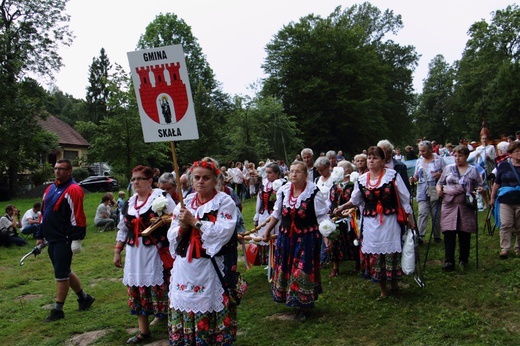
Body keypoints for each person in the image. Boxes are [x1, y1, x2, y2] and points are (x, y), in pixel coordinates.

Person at [167, 157, 238, 344]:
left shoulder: (224, 202)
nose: (200, 181)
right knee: (184, 299)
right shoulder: (186, 201)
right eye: (197, 177)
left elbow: (223, 232)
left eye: (206, 178)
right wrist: (182, 227)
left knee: (208, 302)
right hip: (185, 265)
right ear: (191, 180)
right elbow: (172, 233)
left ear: (216, 180)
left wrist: (195, 222)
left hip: (210, 265)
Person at [334, 146, 414, 299]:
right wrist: (342, 207)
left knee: (391, 251)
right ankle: (383, 289)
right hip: (371, 222)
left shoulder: (392, 176)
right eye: (369, 157)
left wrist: (409, 218)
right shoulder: (362, 179)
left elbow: (404, 198)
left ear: (383, 161)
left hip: (389, 221)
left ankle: (394, 283)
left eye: (375, 157)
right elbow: (355, 200)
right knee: (375, 253)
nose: (371, 160)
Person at [114, 165, 175, 344]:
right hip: (134, 255)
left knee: (165, 289)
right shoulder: (129, 203)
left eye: (139, 178)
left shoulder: (162, 198)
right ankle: (143, 331)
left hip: (156, 253)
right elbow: (123, 229)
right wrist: (117, 251)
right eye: (133, 179)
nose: (135, 182)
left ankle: (174, 328)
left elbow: (176, 220)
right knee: (137, 289)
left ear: (150, 181)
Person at [262, 161, 330, 321]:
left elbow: (322, 218)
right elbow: (277, 214)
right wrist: (266, 231)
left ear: (306, 175)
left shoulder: (313, 192)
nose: (293, 174)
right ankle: (294, 301)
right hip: (286, 238)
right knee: (288, 268)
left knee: (301, 269)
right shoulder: (284, 191)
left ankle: (304, 306)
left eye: (298, 171)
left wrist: (327, 237)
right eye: (291, 171)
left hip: (306, 238)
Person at [35, 159, 94, 322]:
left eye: (61, 169)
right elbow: (43, 212)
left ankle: (58, 310)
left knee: (61, 274)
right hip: (52, 237)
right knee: (64, 270)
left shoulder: (73, 189)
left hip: (64, 238)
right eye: (55, 168)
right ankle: (84, 297)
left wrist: (76, 238)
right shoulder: (50, 188)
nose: (57, 171)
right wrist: (40, 235)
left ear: (69, 171)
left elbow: (78, 216)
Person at [436, 145, 483, 271]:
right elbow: (440, 183)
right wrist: (439, 190)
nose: (457, 158)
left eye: (460, 155)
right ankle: (449, 261)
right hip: (449, 204)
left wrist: (479, 190)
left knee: (464, 232)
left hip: (465, 205)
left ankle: (463, 259)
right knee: (448, 232)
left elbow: (480, 185)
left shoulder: (473, 170)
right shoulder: (448, 168)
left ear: (467, 156)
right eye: (455, 155)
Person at [328, 160, 360, 276]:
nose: (335, 170)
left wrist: (348, 212)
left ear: (346, 171)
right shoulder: (334, 186)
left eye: (338, 168)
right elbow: (329, 201)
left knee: (353, 240)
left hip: (349, 217)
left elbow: (356, 202)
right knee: (334, 240)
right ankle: (335, 267)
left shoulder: (353, 185)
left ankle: (357, 263)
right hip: (335, 218)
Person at [410, 141, 446, 244]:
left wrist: (440, 175)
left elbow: (447, 173)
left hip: (434, 186)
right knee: (422, 211)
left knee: (435, 212)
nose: (421, 153)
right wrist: (413, 179)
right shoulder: (419, 161)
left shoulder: (438, 160)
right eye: (420, 151)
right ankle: (420, 236)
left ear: (430, 149)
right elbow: (417, 175)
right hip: (422, 187)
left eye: (424, 150)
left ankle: (437, 235)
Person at [490, 141, 520, 259]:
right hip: (505, 200)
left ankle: (518, 248)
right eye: (517, 151)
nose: (519, 153)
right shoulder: (503, 165)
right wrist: (492, 197)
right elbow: (497, 183)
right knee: (506, 224)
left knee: (519, 226)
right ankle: (505, 248)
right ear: (510, 154)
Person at [253, 162, 283, 262]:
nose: (267, 175)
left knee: (275, 238)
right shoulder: (263, 184)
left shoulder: (283, 185)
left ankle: (277, 261)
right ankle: (268, 261)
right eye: (266, 172)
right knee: (265, 238)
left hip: (275, 216)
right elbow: (259, 200)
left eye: (270, 173)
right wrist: (257, 215)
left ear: (277, 173)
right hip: (263, 215)